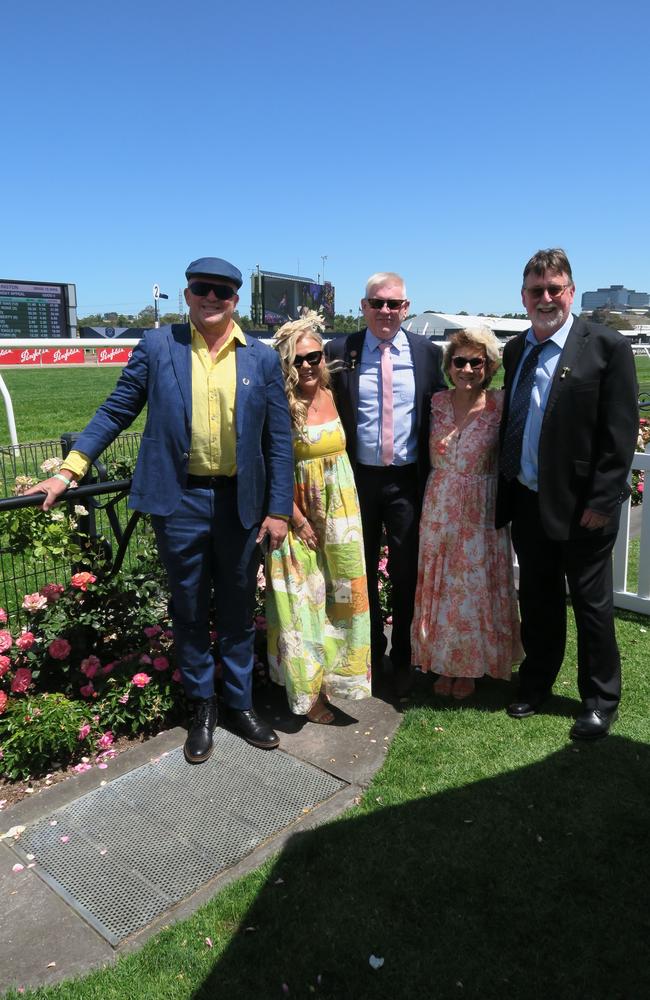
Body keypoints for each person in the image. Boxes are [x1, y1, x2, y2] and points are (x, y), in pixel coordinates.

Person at [26, 257, 294, 763]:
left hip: (241, 503)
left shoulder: (260, 358)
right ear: (187, 293)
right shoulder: (157, 346)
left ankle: (239, 704)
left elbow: (278, 439)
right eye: (201, 289)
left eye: (222, 291)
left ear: (236, 300)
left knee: (238, 610)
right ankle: (203, 706)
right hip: (181, 501)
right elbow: (116, 408)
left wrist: (278, 508)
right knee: (189, 609)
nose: (211, 298)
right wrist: (70, 469)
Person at [496, 248, 638, 740]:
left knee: (592, 606)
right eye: (537, 290)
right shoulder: (516, 351)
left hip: (584, 510)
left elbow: (620, 436)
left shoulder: (605, 347)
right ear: (524, 296)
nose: (547, 297)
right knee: (537, 600)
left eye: (555, 288)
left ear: (571, 291)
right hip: (528, 499)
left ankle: (600, 699)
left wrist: (602, 502)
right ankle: (536, 684)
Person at [326, 273, 446, 695]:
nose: (385, 312)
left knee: (405, 571)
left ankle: (405, 656)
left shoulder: (427, 353)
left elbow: (445, 410)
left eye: (394, 304)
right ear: (363, 306)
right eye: (377, 303)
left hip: (407, 482)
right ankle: (372, 651)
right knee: (358, 572)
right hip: (356, 480)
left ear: (406, 308)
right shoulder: (341, 350)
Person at [266, 312, 371, 723]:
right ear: (286, 364)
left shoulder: (335, 393)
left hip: (341, 513)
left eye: (315, 357)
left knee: (344, 598)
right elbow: (270, 463)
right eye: (298, 360)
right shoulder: (279, 404)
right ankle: (308, 696)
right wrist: (295, 518)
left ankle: (341, 681)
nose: (308, 365)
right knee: (301, 604)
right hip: (298, 514)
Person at [411, 328, 522, 698]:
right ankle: (440, 662)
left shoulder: (500, 405)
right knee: (441, 587)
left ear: (489, 366)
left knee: (474, 590)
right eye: (460, 361)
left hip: (482, 508)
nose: (468, 369)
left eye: (477, 361)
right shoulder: (435, 403)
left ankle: (470, 668)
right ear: (449, 365)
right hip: (439, 504)